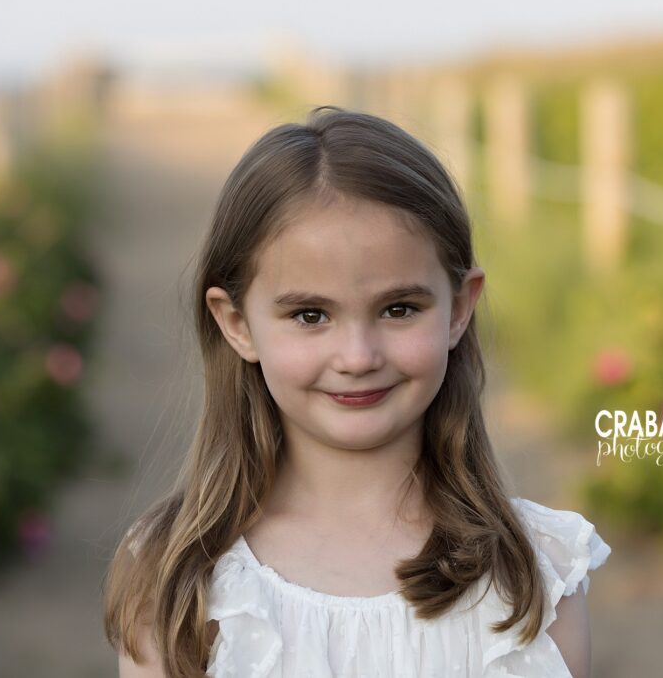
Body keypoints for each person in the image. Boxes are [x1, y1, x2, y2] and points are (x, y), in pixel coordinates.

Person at [103, 105, 611, 678]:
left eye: (399, 309)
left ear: (458, 308)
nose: (358, 357)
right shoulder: (179, 577)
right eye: (310, 315)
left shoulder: (537, 572)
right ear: (237, 323)